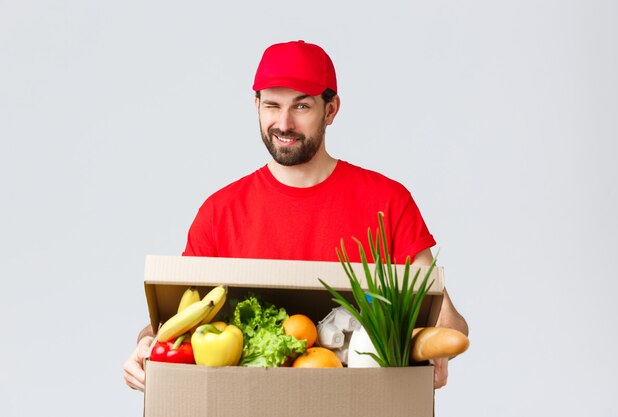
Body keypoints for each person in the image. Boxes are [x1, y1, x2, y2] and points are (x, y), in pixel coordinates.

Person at [123, 40, 468, 391]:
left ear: (331, 110)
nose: (283, 123)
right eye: (272, 105)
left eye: (301, 106)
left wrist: (439, 343)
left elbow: (448, 321)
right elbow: (173, 323)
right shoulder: (219, 212)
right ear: (256, 105)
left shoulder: (387, 201)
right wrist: (145, 346)